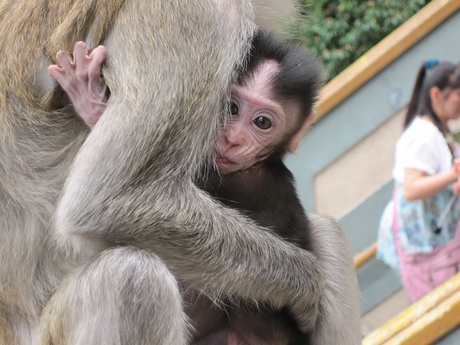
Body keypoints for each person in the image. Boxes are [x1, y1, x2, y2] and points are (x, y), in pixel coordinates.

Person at [377, 60, 460, 302]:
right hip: (427, 257)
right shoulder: (422, 135)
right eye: (458, 94)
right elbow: (412, 189)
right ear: (437, 95)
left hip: (438, 251)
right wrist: (454, 174)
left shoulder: (439, 130)